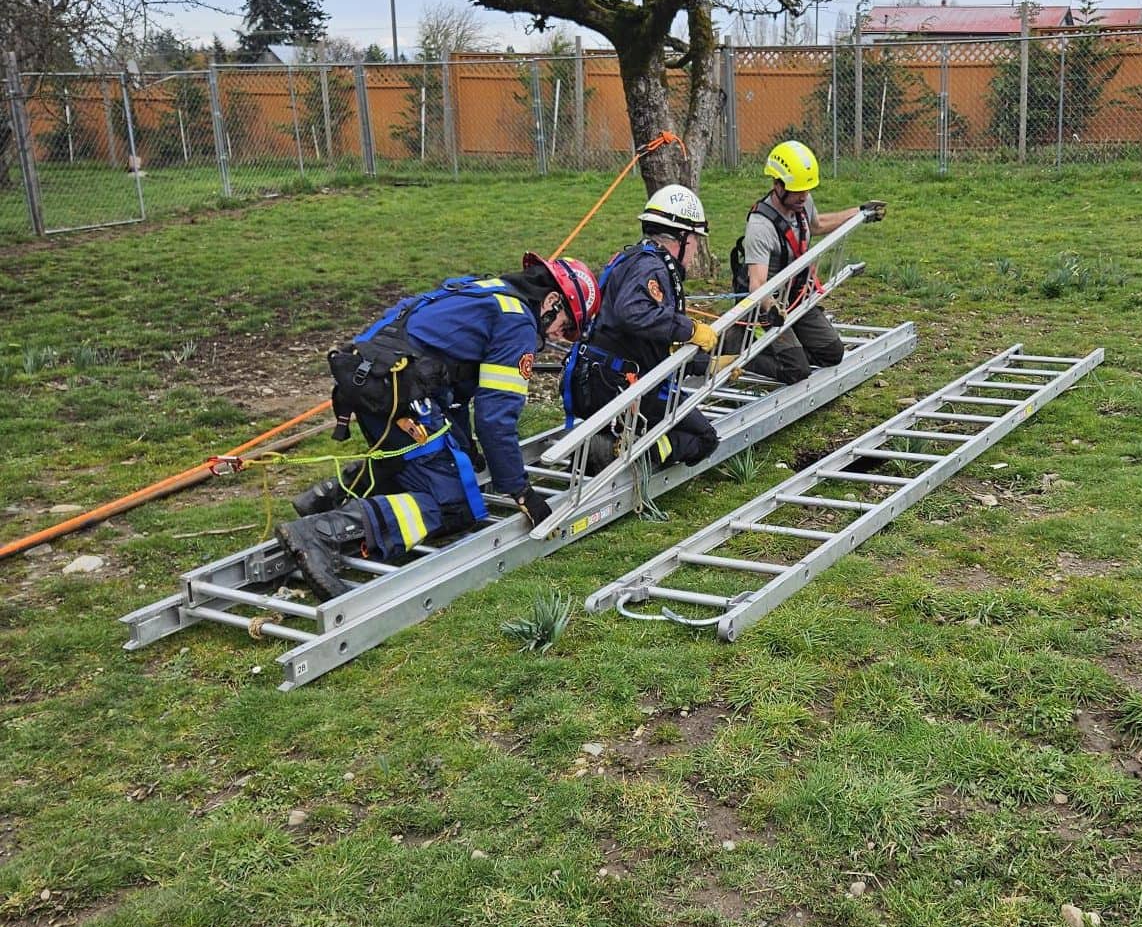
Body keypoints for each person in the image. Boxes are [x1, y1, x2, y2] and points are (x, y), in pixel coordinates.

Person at [273, 254, 599, 599]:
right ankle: (323, 533)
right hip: (400, 395)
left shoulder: (484, 291)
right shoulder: (517, 323)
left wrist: (464, 445)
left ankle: (330, 494)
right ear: (551, 301)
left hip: (370, 380)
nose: (557, 335)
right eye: (564, 324)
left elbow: (454, 383)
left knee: (435, 465)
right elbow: (495, 417)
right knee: (453, 507)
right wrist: (521, 491)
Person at [563, 183, 721, 473]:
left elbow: (648, 340)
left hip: (600, 379)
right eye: (695, 240)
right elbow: (634, 314)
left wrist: (706, 364)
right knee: (704, 438)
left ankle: (609, 442)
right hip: (620, 385)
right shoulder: (653, 268)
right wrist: (688, 329)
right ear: (682, 237)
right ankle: (620, 451)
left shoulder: (635, 259)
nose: (696, 248)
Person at [731, 140, 885, 385]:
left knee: (832, 353)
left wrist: (860, 212)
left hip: (795, 296)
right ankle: (735, 348)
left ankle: (790, 347)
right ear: (777, 185)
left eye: (807, 189)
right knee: (796, 370)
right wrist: (773, 309)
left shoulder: (802, 202)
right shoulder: (760, 227)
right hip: (766, 306)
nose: (804, 196)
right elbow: (757, 285)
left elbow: (818, 225)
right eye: (797, 190)